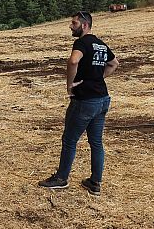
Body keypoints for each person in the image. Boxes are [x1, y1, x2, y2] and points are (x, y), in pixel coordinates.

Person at [39, 11, 119, 196]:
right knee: (96, 142)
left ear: (84, 25)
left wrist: (70, 85)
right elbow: (114, 63)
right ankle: (95, 182)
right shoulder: (100, 44)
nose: (70, 25)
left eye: (74, 23)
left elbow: (73, 60)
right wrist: (98, 78)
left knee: (69, 140)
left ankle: (61, 178)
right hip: (102, 99)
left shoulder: (82, 42)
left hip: (85, 100)